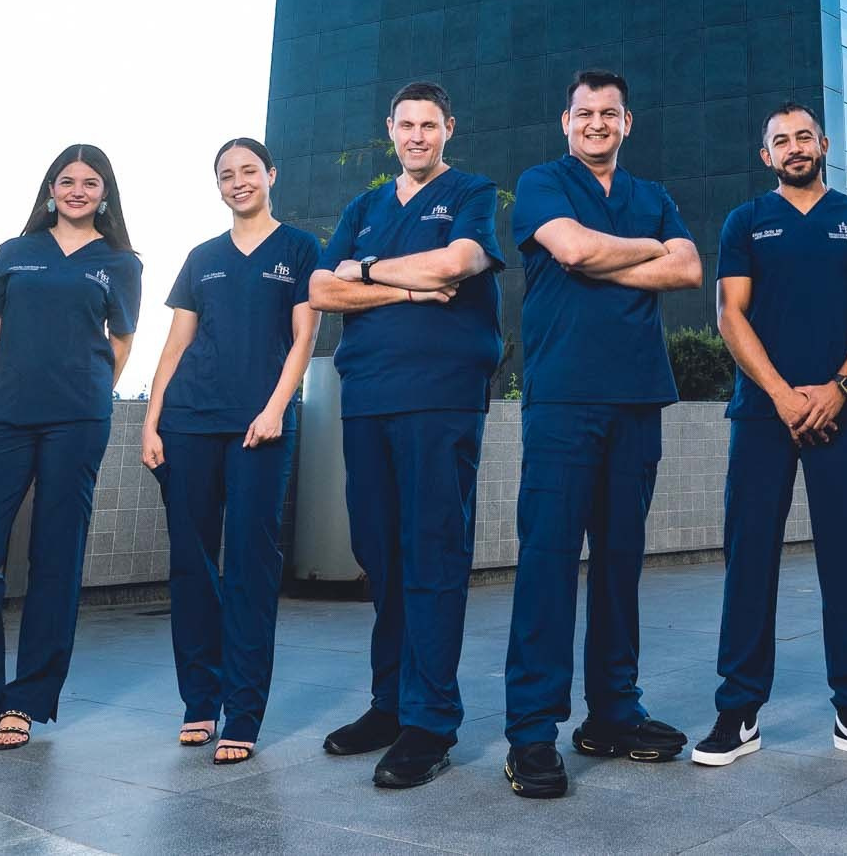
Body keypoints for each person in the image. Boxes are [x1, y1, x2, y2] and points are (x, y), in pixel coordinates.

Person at [691, 102, 847, 769]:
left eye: (802, 136)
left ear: (823, 142)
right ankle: (737, 713)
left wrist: (841, 387)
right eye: (779, 140)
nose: (793, 147)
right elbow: (730, 314)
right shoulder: (746, 221)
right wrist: (784, 394)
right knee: (750, 558)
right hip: (764, 414)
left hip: (840, 413)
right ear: (767, 155)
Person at [500, 70, 702, 798]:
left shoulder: (654, 197)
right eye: (584, 113)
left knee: (620, 562)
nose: (596, 123)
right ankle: (530, 732)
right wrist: (644, 253)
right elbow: (572, 251)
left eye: (608, 113)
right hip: (563, 400)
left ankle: (613, 712)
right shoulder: (540, 182)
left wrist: (615, 250)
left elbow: (689, 268)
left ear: (627, 122)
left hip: (637, 399)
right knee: (549, 561)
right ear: (566, 121)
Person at [307, 81, 505, 789]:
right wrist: (405, 285)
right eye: (406, 124)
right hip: (368, 400)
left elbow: (457, 264)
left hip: (439, 398)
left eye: (430, 124)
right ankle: (389, 703)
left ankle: (430, 720)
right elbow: (322, 290)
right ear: (389, 128)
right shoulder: (364, 207)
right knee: (381, 554)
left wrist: (365, 269)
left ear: (448, 127)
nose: (417, 135)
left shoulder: (473, 192)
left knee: (432, 552)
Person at [0, 145, 141, 755]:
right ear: (49, 190)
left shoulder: (120, 261)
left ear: (105, 195)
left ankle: (26, 700)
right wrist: (18, 382)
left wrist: (84, 391)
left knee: (55, 557)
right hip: (8, 415)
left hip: (79, 420)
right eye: (67, 181)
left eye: (91, 183)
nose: (77, 190)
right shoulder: (14, 254)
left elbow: (120, 343)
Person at [138, 137, 320, 765]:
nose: (238, 181)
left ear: (271, 173)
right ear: (216, 185)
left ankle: (242, 711)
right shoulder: (202, 257)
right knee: (191, 565)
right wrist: (151, 421)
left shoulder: (299, 248)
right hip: (189, 421)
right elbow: (174, 344)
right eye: (226, 174)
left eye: (248, 171)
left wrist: (276, 409)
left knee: (250, 565)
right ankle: (198, 700)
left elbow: (303, 339)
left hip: (259, 427)